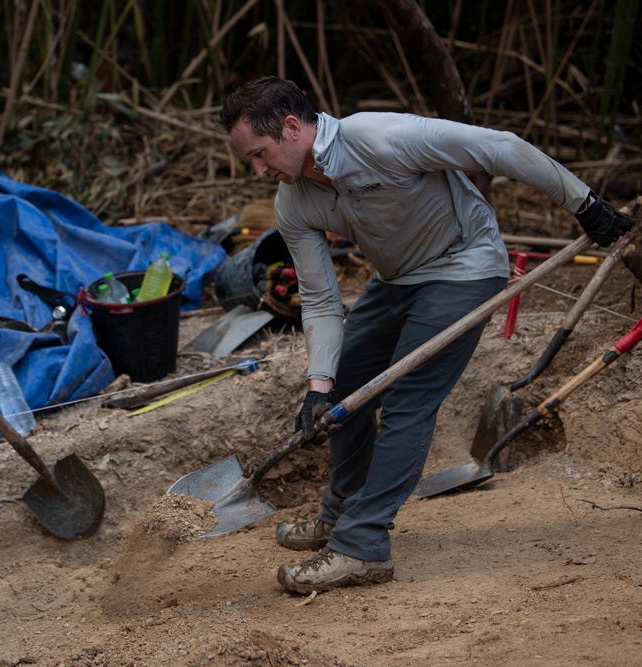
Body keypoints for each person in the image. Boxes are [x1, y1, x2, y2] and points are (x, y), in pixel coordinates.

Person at [218, 76, 634, 596]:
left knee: (408, 400)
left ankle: (362, 547)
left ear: (293, 127)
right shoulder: (293, 202)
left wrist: (585, 203)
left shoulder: (380, 137)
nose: (258, 170)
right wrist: (318, 385)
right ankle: (340, 513)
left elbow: (501, 147)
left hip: (465, 266)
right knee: (343, 389)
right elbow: (322, 301)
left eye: (259, 154)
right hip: (397, 279)